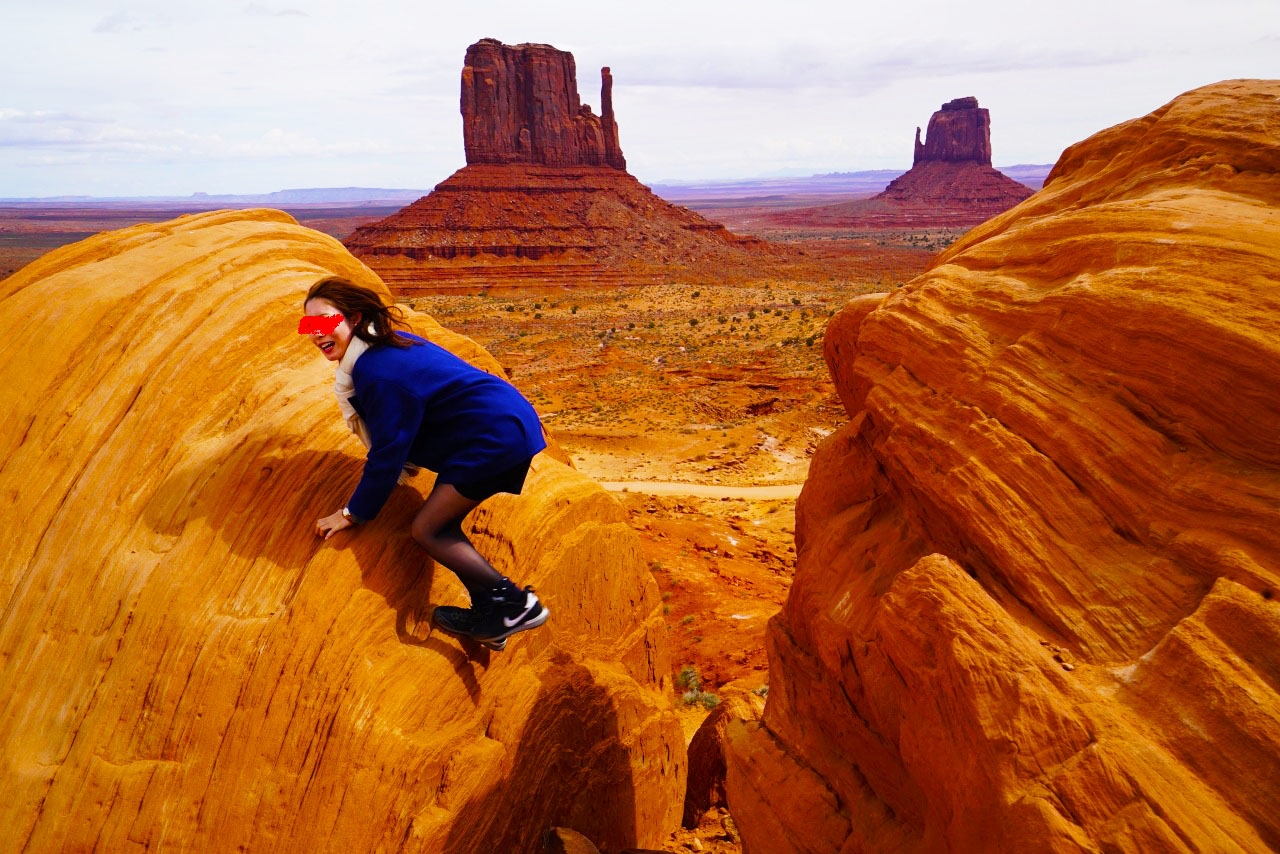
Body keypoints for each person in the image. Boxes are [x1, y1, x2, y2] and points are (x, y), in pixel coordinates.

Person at [302, 276, 549, 647]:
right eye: (309, 326)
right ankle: (491, 613)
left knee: (428, 530)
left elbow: (388, 451)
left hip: (492, 436)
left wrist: (353, 513)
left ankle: (516, 605)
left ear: (353, 318)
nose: (316, 333)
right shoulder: (382, 349)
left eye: (324, 321)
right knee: (444, 524)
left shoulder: (376, 369)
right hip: (495, 425)